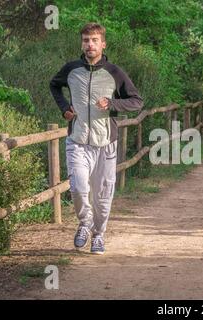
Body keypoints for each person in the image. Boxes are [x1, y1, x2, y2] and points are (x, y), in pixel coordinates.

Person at [50, 23, 143, 254]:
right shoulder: (71, 70)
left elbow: (136, 101)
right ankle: (84, 224)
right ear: (81, 44)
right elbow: (54, 85)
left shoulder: (114, 72)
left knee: (103, 196)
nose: (89, 44)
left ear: (103, 44)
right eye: (85, 40)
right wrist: (64, 109)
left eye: (93, 40)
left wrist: (112, 103)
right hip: (77, 140)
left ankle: (99, 235)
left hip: (106, 144)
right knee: (78, 188)